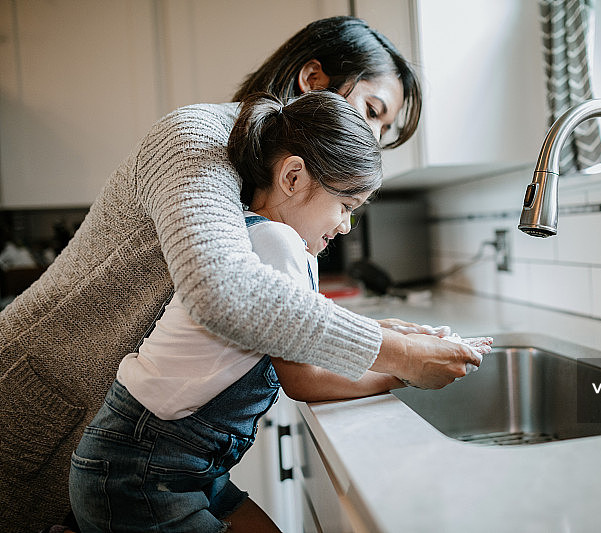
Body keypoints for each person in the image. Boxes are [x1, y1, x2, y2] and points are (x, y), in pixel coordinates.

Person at [0, 16, 482, 532]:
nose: (372, 138)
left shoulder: (281, 198)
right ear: (313, 80)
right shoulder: (195, 140)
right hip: (41, 416)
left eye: (383, 132)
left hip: (156, 448)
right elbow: (222, 290)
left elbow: (281, 303)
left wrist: (389, 335)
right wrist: (400, 354)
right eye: (371, 111)